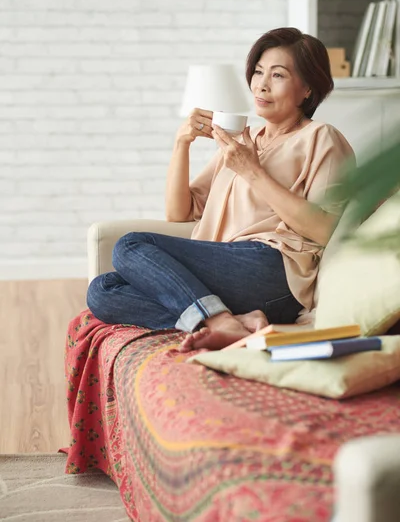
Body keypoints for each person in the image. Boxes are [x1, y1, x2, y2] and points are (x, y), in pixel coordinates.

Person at [87, 27, 355, 352]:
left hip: (274, 268)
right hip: (226, 269)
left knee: (130, 244)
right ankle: (235, 321)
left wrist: (252, 171)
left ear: (307, 89)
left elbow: (326, 229)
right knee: (103, 290)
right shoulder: (243, 139)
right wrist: (181, 144)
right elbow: (180, 212)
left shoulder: (321, 137)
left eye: (278, 75)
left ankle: (217, 320)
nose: (261, 84)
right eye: (258, 72)